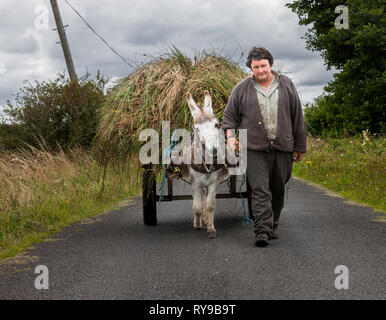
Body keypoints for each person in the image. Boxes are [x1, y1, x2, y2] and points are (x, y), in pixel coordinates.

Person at [222, 47, 306, 247]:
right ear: (250, 68)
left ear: (270, 64)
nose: (260, 70)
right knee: (260, 189)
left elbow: (297, 116)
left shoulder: (286, 85)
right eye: (256, 67)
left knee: (278, 188)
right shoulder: (241, 88)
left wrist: (299, 146)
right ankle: (262, 231)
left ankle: (273, 224)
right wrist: (230, 137)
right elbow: (230, 117)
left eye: (263, 66)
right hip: (253, 148)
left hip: (282, 146)